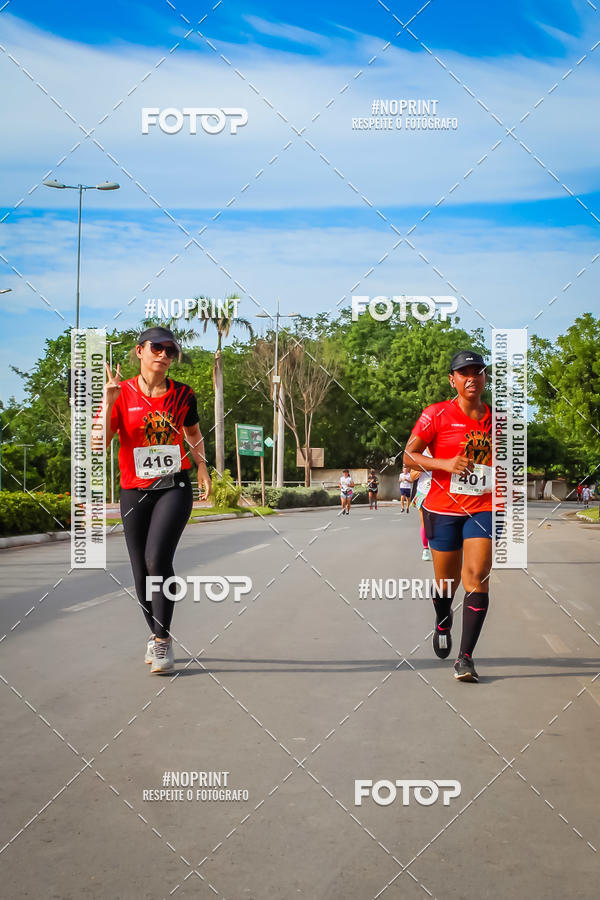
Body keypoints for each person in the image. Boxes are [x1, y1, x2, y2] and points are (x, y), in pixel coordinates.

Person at [102, 327, 211, 674]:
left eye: (171, 350)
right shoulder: (121, 393)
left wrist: (202, 469)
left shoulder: (183, 395)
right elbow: (100, 443)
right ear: (139, 351)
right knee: (139, 572)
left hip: (173, 486)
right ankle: (155, 633)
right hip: (133, 490)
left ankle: (162, 642)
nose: (164, 355)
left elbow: (192, 434)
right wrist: (107, 400)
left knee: (156, 560)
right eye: (157, 348)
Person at [404, 350, 492, 683]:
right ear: (452, 380)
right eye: (464, 372)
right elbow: (409, 456)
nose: (472, 377)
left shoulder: (497, 421)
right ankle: (443, 619)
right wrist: (444, 464)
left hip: (482, 507)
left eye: (477, 371)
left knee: (478, 575)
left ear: (484, 377)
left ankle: (465, 659)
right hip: (442, 509)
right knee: (446, 583)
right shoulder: (436, 414)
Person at [412, 449, 433, 561]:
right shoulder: (420, 453)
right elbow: (412, 476)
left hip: (440, 491)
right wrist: (420, 469)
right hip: (423, 492)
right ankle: (426, 549)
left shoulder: (442, 450)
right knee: (425, 522)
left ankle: (438, 548)